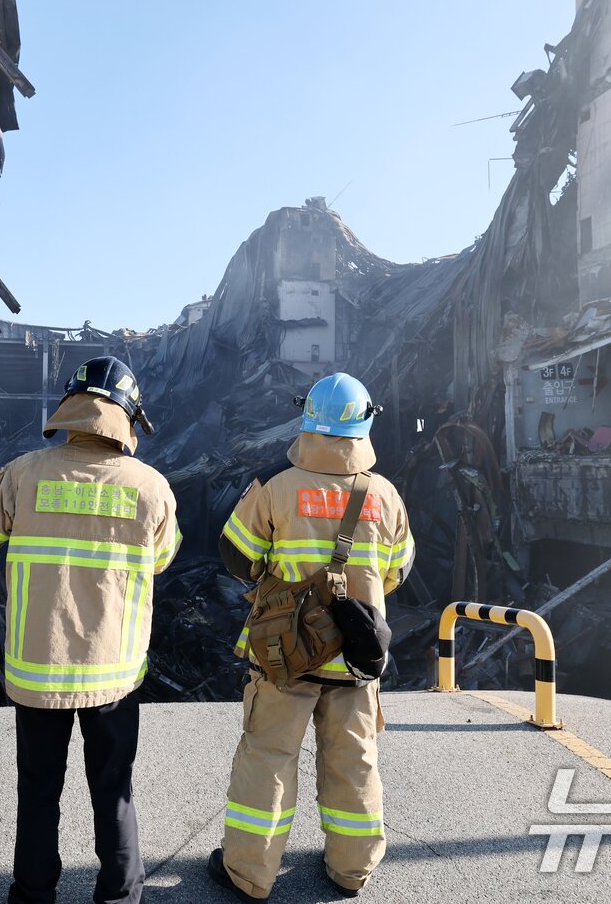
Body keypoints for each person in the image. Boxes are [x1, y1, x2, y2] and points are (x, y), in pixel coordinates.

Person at [0, 356, 180, 904]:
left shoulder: (25, 472)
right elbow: (162, 560)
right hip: (114, 674)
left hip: (38, 669)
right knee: (114, 791)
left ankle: (33, 895)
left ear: (71, 409)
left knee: (38, 791)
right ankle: (121, 896)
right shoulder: (151, 487)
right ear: (126, 419)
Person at [209, 373, 414, 901]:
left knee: (269, 757)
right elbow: (397, 572)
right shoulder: (386, 496)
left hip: (286, 655)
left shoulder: (276, 488)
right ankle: (352, 870)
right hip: (356, 658)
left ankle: (250, 874)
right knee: (354, 761)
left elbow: (238, 558)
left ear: (308, 420)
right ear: (366, 422)